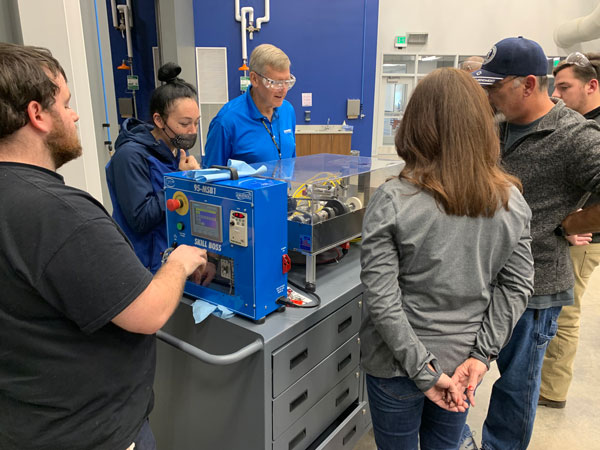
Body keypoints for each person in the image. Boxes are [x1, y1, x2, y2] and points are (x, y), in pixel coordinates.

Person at [0, 43, 207, 450]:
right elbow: (147, 313)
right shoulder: (60, 213)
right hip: (89, 431)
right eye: (66, 102)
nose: (75, 114)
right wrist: (178, 262)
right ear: (37, 115)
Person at [360, 68, 534, 450]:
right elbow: (517, 286)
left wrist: (423, 370)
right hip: (463, 363)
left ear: (416, 125)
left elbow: (382, 300)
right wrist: (481, 355)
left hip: (396, 364)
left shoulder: (392, 200)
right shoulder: (511, 201)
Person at [465, 37, 600, 450]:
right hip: (483, 277)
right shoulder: (499, 127)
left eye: (494, 86)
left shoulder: (575, 135)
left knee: (516, 388)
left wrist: (572, 222)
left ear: (527, 84)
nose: (487, 95)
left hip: (536, 286)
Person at [538, 52, 600, 409]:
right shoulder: (576, 121)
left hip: (582, 239)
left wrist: (569, 224)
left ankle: (551, 390)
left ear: (591, 85)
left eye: (565, 86)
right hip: (569, 235)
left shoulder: (589, 131)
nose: (558, 95)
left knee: (565, 313)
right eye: (555, 86)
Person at [106, 62, 201, 273]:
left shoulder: (175, 151)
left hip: (172, 259)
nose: (192, 131)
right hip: (142, 266)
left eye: (196, 123)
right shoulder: (130, 156)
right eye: (185, 124)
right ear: (159, 120)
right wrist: (183, 178)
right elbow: (140, 219)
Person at [202, 43, 296, 168]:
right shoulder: (226, 121)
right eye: (276, 83)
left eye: (287, 82)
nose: (283, 90)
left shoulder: (287, 110)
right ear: (254, 79)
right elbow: (211, 178)